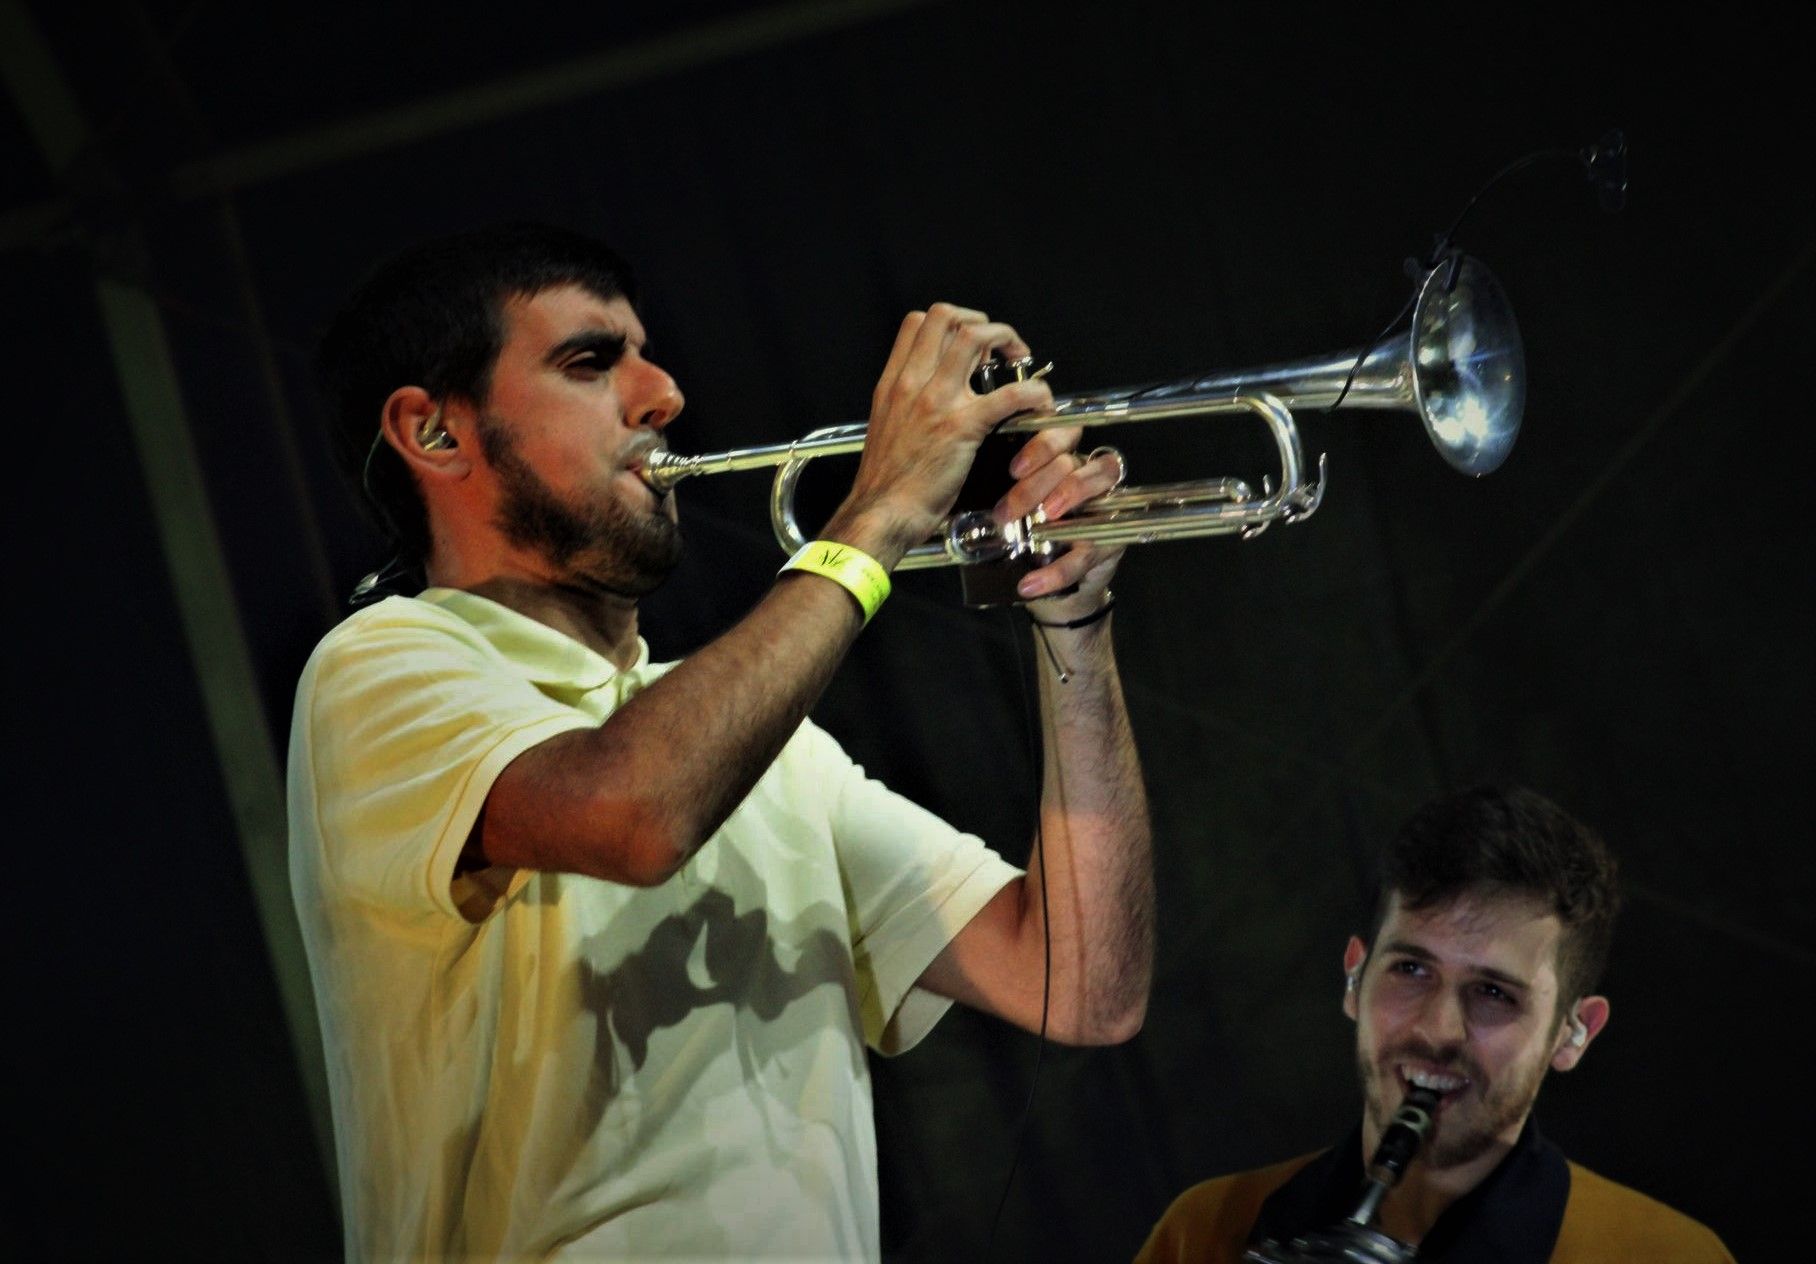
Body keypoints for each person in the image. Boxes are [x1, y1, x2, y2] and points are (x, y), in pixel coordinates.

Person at [287, 222, 1152, 1262]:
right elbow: (637, 815)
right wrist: (879, 512)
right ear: (433, 435)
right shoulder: (380, 664)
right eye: (589, 361)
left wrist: (1071, 622)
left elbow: (1082, 984)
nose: (662, 395)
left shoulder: (770, 755)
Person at [1137, 785, 1732, 1263]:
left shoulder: (1669, 1255)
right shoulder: (1207, 1231)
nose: (1439, 1030)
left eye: (1494, 993)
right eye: (1412, 969)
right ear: (1354, 977)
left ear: (1575, 1033)